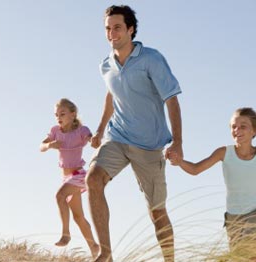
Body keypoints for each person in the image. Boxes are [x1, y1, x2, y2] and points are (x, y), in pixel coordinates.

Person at [87, 5, 184, 262]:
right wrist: (99, 130)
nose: (111, 33)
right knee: (93, 180)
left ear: (130, 29)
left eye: (117, 27)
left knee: (157, 211)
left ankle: (169, 260)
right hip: (117, 137)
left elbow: (172, 99)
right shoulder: (106, 65)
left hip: (149, 146)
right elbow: (111, 95)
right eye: (108, 28)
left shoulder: (151, 59)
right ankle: (105, 254)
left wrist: (178, 141)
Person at [168, 107, 256, 261]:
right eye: (234, 126)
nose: (237, 130)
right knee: (240, 257)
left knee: (248, 249)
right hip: (233, 218)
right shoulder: (224, 153)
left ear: (254, 131)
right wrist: (180, 162)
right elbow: (195, 169)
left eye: (243, 126)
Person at [40, 98, 100, 257]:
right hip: (66, 178)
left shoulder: (81, 131)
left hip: (78, 175)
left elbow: (91, 138)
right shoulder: (55, 131)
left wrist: (93, 140)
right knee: (78, 217)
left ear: (73, 115)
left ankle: (66, 234)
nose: (58, 117)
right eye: (56, 115)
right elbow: (42, 146)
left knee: (59, 196)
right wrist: (49, 145)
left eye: (62, 114)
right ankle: (94, 247)